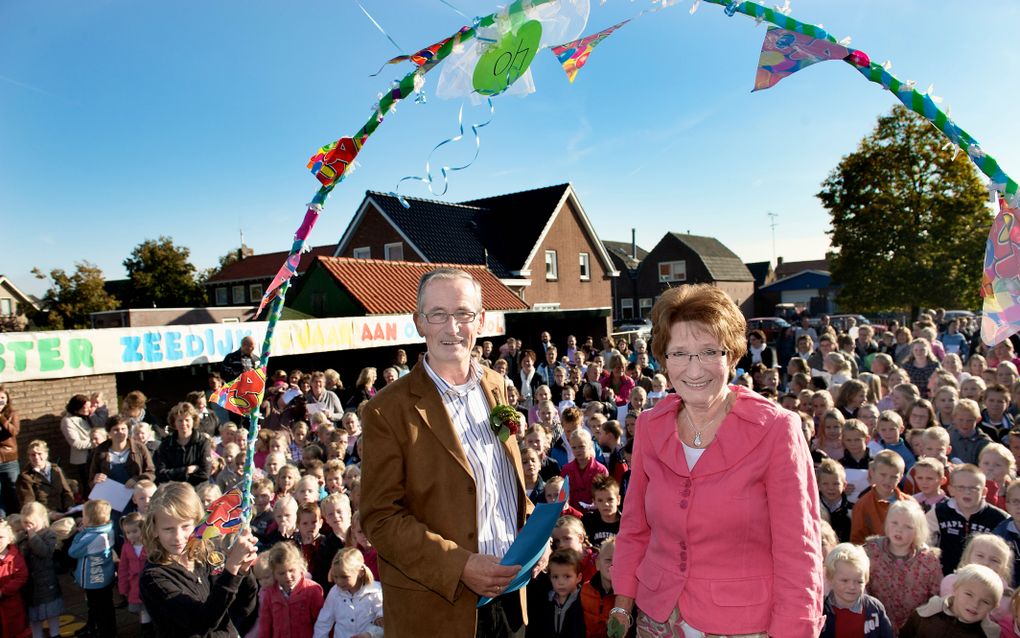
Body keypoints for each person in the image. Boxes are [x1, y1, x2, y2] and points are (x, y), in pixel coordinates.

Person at [611, 284, 823, 637]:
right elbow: (635, 528)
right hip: (657, 619)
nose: (694, 370)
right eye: (679, 353)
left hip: (743, 625)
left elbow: (798, 548)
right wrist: (622, 603)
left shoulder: (776, 429)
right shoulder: (650, 425)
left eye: (709, 351)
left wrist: (793, 629)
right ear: (663, 359)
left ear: (733, 356)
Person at [360, 268, 534, 637]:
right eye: (437, 314)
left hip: (510, 596)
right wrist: (460, 566)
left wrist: (534, 532)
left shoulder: (497, 386)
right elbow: (380, 519)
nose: (451, 326)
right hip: (438, 610)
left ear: (481, 321)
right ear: (419, 322)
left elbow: (501, 484)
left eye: (463, 314)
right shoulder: (385, 410)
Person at [140, 482, 259, 638]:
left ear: (198, 523)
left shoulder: (211, 554)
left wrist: (243, 571)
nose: (178, 537)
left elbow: (244, 608)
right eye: (168, 529)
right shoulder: (154, 577)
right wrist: (231, 570)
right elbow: (201, 623)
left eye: (185, 526)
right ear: (154, 529)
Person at [863, 500, 942, 632]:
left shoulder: (928, 560)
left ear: (918, 531)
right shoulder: (870, 552)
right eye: (894, 523)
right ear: (887, 524)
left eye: (908, 526)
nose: (899, 529)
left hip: (915, 628)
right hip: (875, 625)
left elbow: (936, 596)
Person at [929, 464, 1010, 576]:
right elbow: (925, 540)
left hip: (984, 576)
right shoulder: (938, 512)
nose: (967, 492)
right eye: (961, 487)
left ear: (984, 492)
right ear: (951, 490)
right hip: (945, 573)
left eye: (973, 488)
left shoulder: (998, 517)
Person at [899, 563, 1002, 637]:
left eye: (985, 601)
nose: (975, 604)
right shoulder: (926, 615)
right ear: (955, 590)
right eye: (969, 594)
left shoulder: (988, 634)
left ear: (993, 607)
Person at [819, 543, 894, 638]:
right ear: (830, 578)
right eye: (844, 580)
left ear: (866, 580)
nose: (852, 586)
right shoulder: (821, 610)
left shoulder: (874, 608)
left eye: (859, 581)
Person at [69, 499, 117, 638]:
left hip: (93, 579)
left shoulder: (90, 537)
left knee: (97, 607)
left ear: (89, 519)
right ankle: (102, 629)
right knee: (106, 606)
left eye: (83, 515)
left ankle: (102, 631)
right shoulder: (109, 530)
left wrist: (78, 534)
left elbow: (73, 552)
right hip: (105, 576)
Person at [313, 547, 384, 638]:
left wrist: (370, 634)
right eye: (336, 577)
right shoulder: (335, 592)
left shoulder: (376, 591)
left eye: (344, 577)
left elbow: (385, 622)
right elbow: (323, 623)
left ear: (360, 572)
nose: (339, 582)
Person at [260, 542, 324, 638]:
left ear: (300, 566)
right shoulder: (270, 593)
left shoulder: (312, 590)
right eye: (281, 573)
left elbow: (322, 623)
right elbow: (265, 626)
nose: (288, 577)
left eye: (291, 570)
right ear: (273, 573)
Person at [19, 501, 64, 638]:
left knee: (51, 612)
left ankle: (55, 634)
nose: (28, 526)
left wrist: (33, 537)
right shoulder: (24, 536)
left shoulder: (48, 534)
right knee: (34, 615)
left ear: (41, 519)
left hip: (46, 581)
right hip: (31, 584)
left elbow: (44, 552)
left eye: (32, 523)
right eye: (26, 523)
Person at [525, 549, 585, 638]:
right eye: (555, 577)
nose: (560, 582)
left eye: (567, 576)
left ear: (579, 578)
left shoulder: (583, 600)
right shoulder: (545, 600)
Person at [89, 414, 156, 491]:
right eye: (116, 430)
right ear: (109, 432)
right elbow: (91, 477)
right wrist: (96, 479)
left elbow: (151, 472)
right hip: (109, 494)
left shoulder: (139, 448)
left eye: (123, 429)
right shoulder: (100, 450)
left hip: (136, 495)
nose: (120, 432)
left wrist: (137, 480)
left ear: (128, 430)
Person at [153, 402, 212, 486]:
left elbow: (205, 473)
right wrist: (186, 470)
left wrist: (174, 473)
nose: (183, 424)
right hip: (173, 490)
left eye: (187, 420)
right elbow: (160, 474)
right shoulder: (165, 445)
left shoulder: (203, 442)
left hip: (198, 490)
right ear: (174, 423)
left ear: (193, 421)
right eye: (180, 420)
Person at [15, 440, 74, 518]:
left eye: (39, 454)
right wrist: (49, 514)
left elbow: (66, 492)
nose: (36, 457)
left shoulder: (56, 470)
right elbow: (29, 504)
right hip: (42, 517)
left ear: (46, 454)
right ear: (29, 457)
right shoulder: (25, 477)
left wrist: (69, 507)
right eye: (33, 455)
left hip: (63, 512)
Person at [0, 519, 30, 638]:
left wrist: (4, 591)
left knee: (16, 628)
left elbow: (21, 576)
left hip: (11, 602)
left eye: (1, 537)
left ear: (9, 538)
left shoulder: (14, 556)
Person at [61, 393, 94, 495]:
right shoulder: (68, 421)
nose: (88, 409)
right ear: (77, 407)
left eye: (89, 406)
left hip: (96, 455)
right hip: (84, 459)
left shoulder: (90, 417)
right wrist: (95, 444)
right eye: (85, 407)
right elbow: (75, 443)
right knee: (89, 485)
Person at [0, 385, 21, 518]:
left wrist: (1, 417)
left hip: (9, 459)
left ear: (7, 400)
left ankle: (17, 518)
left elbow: (13, 431)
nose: (0, 400)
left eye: (2, 397)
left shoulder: (12, 414)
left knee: (13, 490)